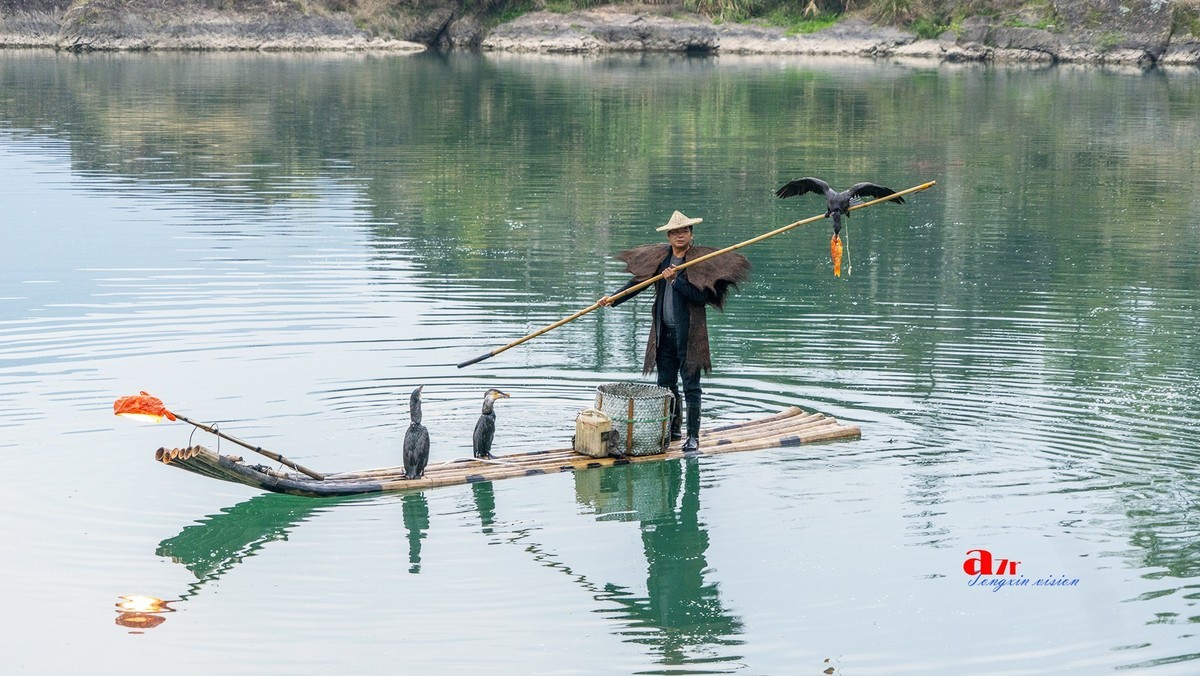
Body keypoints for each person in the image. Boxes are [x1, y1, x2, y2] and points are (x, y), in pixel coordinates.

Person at [598, 210, 750, 452]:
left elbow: (701, 297)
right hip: (664, 334)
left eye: (685, 231)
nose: (681, 235)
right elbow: (637, 284)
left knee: (691, 386)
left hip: (690, 335)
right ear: (669, 236)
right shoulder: (660, 260)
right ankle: (673, 429)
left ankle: (693, 437)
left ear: (691, 235)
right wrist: (613, 299)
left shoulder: (699, 262)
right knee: (666, 385)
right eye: (676, 232)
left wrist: (676, 281)